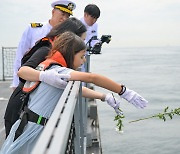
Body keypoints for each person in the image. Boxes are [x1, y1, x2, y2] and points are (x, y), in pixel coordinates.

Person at [0, 31, 148, 154]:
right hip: (32, 131)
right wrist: (124, 91)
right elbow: (92, 77)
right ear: (71, 54)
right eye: (82, 56)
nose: (84, 61)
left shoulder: (54, 70)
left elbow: (76, 89)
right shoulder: (58, 71)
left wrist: (104, 96)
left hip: (28, 125)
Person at [4, 17, 87, 138]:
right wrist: (43, 76)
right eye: (81, 40)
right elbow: (22, 71)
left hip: (30, 107)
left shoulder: (58, 51)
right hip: (20, 108)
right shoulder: (47, 49)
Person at [12, 0, 76, 89]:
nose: (64, 18)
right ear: (53, 12)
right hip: (30, 78)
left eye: (67, 16)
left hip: (52, 82)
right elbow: (20, 55)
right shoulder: (34, 29)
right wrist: (16, 83)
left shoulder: (66, 36)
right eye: (62, 14)